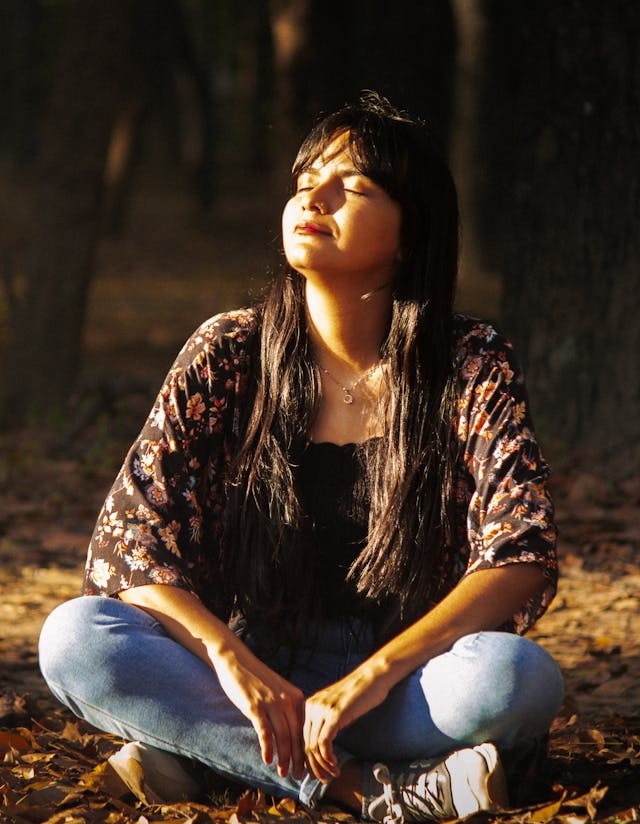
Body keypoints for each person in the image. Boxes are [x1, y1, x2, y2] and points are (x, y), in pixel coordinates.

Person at [39, 93, 563, 822]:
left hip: (403, 684)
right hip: (253, 679)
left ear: (413, 232)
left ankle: (206, 758)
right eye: (307, 176)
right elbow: (135, 542)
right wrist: (235, 666)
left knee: (513, 677)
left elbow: (520, 552)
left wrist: (375, 676)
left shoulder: (469, 360)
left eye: (353, 186)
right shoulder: (228, 353)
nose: (313, 196)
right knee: (77, 640)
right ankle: (373, 790)